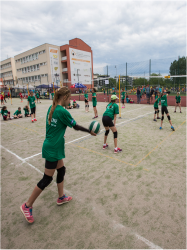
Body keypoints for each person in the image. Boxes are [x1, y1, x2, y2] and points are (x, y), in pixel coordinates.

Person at [20, 87, 96, 224]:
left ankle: (61, 197)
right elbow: (76, 126)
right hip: (53, 148)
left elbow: (52, 126)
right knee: (47, 179)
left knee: (61, 170)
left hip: (54, 145)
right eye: (70, 97)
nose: (70, 100)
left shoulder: (52, 107)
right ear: (65, 97)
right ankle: (27, 205)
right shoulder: (62, 111)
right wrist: (89, 131)